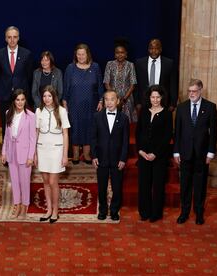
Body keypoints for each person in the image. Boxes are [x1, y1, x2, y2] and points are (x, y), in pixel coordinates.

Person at [174, 79, 217, 225]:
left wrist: (211, 153)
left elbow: (213, 132)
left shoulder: (210, 107)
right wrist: (176, 152)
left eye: (194, 91)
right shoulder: (181, 107)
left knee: (200, 185)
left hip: (202, 154)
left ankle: (199, 213)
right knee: (185, 185)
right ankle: (184, 212)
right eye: (189, 91)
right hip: (185, 153)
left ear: (200, 91)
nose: (191, 94)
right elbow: (177, 132)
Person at [136, 85, 173, 222]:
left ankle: (156, 213)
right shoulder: (144, 111)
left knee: (158, 186)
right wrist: (140, 150)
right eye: (153, 97)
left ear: (162, 97)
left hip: (159, 156)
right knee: (144, 185)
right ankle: (144, 212)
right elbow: (138, 132)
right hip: (143, 155)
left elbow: (167, 136)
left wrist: (155, 154)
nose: (155, 99)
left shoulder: (167, 113)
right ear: (149, 98)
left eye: (158, 97)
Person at [63, 43, 104, 165]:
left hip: (91, 105)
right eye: (78, 54)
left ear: (88, 54)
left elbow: (100, 87)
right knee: (75, 128)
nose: (81, 56)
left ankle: (86, 154)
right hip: (74, 105)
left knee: (89, 129)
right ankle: (75, 154)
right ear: (76, 55)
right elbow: (66, 88)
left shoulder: (95, 67)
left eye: (83, 54)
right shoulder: (70, 68)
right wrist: (65, 104)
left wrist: (101, 100)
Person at [91, 91, 129, 221]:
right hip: (101, 158)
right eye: (106, 99)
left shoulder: (124, 118)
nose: (109, 102)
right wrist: (94, 156)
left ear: (117, 101)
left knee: (117, 186)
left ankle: (114, 210)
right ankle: (102, 210)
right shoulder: (97, 116)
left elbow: (125, 141)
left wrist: (123, 158)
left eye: (112, 99)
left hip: (117, 158)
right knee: (101, 187)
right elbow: (94, 138)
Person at [34, 85, 70, 223]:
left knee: (53, 181)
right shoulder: (38, 111)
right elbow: (36, 133)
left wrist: (65, 154)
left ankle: (56, 210)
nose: (46, 99)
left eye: (49, 96)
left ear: (54, 97)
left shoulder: (61, 111)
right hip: (42, 149)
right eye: (44, 96)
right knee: (45, 181)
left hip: (57, 150)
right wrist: (34, 154)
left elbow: (65, 134)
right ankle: (48, 209)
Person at [1, 89, 36, 219]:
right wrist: (4, 152)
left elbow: (33, 138)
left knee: (25, 181)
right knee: (15, 181)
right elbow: (6, 136)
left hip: (25, 153)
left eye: (22, 99)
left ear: (25, 100)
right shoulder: (8, 113)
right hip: (11, 152)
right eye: (17, 100)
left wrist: (30, 156)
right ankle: (17, 204)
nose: (20, 102)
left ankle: (25, 205)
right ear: (14, 101)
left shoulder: (31, 116)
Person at [0, 26, 33, 139]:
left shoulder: (27, 54)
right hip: (4, 95)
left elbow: (29, 74)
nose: (12, 40)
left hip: (21, 96)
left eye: (15, 37)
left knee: (21, 125)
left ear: (18, 38)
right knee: (6, 125)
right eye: (9, 37)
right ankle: (7, 152)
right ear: (5, 38)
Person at [134, 39, 178, 112]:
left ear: (160, 49)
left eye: (156, 49)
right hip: (144, 103)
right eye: (151, 49)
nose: (154, 51)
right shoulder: (139, 63)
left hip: (163, 102)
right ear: (148, 49)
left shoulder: (169, 63)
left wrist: (173, 104)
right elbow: (136, 84)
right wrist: (137, 102)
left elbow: (173, 84)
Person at [103, 39, 138, 123]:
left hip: (127, 99)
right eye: (117, 53)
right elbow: (106, 82)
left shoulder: (130, 65)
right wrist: (115, 98)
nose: (120, 55)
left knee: (126, 123)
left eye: (122, 52)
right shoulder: (109, 64)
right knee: (112, 122)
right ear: (114, 54)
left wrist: (123, 100)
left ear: (126, 54)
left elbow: (133, 84)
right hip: (111, 99)